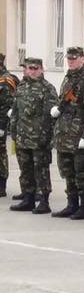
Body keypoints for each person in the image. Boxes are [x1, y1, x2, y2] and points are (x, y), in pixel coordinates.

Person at [50, 47, 84, 220]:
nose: (70, 61)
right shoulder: (67, 79)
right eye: (69, 58)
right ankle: (71, 204)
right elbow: (63, 103)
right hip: (65, 135)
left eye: (74, 58)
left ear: (83, 59)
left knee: (82, 173)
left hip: (79, 136)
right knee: (68, 172)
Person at [8, 58, 56, 214]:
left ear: (42, 69)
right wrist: (13, 131)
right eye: (30, 68)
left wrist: (45, 137)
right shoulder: (21, 87)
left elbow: (49, 116)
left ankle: (43, 200)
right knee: (25, 169)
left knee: (41, 170)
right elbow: (15, 111)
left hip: (39, 138)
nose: (32, 71)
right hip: (22, 136)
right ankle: (28, 198)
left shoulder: (47, 88)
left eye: (35, 68)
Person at [0, 53, 18, 198]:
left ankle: (1, 185)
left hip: (0, 122)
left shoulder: (5, 81)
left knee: (0, 154)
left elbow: (6, 107)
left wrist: (2, 127)